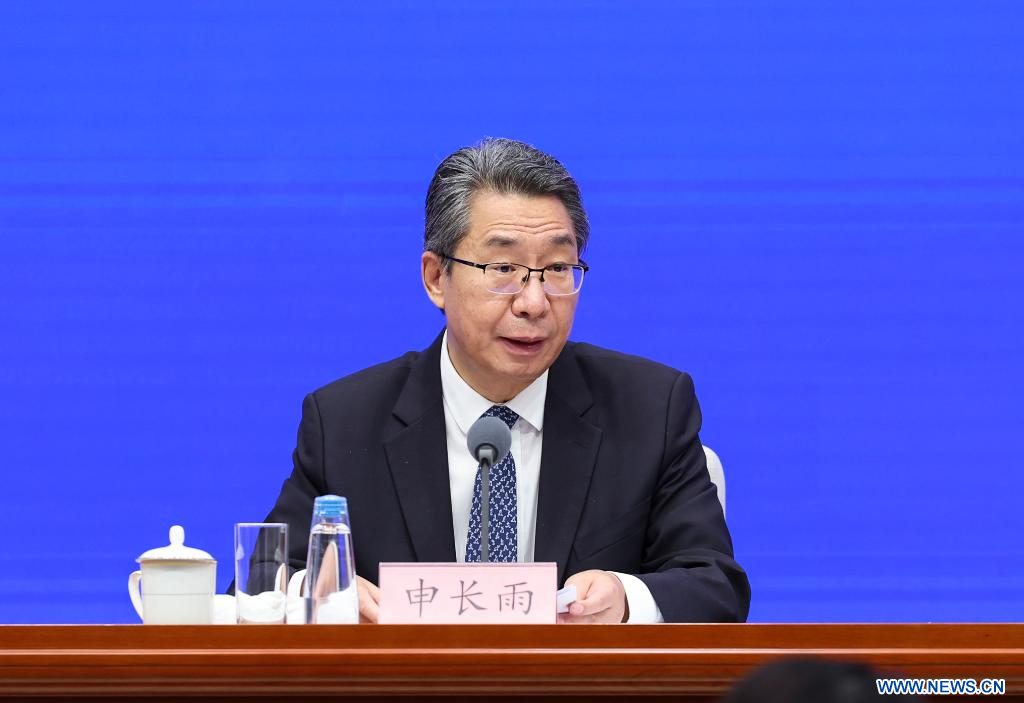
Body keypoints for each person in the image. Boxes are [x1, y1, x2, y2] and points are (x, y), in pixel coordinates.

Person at [262, 138, 750, 623]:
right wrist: (323, 592)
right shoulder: (345, 422)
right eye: (503, 268)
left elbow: (715, 585)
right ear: (436, 278)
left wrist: (624, 599)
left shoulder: (650, 409)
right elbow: (262, 582)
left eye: (557, 268)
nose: (534, 302)